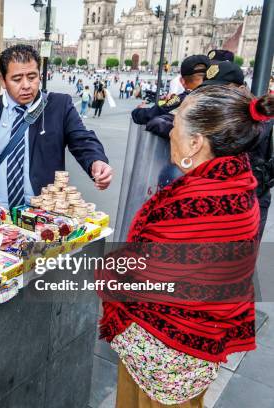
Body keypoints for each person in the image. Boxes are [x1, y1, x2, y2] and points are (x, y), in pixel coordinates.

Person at [101, 86, 273, 408]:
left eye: (176, 121)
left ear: (196, 142)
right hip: (190, 352)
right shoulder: (236, 184)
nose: (170, 130)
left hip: (166, 357)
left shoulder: (199, 204)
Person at [0, 44, 112, 215]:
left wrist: (96, 161)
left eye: (32, 77)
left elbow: (82, 139)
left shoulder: (59, 106)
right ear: (2, 80)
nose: (26, 85)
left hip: (42, 218)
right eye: (16, 79)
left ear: (40, 75)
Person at [200, 60, 274, 240]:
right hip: (218, 199)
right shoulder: (222, 110)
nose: (216, 95)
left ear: (241, 89)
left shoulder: (258, 114)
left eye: (223, 89)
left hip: (250, 199)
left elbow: (232, 141)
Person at [132, 55, 209, 138]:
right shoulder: (216, 97)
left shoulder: (187, 98)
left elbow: (148, 115)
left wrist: (137, 111)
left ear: (182, 81)